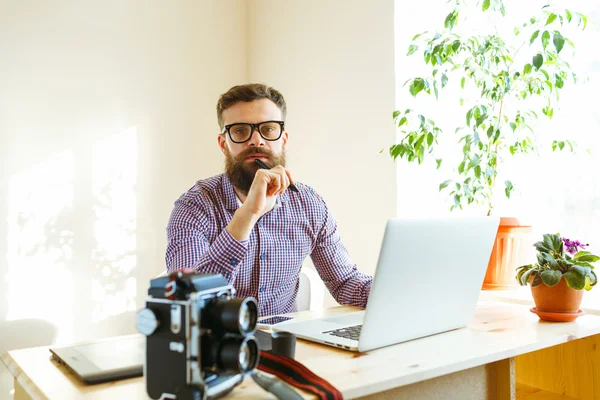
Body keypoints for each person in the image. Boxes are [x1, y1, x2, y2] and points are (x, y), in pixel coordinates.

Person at [165, 83, 372, 316]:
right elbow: (188, 301)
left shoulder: (309, 205)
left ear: (283, 139)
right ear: (224, 145)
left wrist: (402, 291)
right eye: (241, 131)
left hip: (285, 345)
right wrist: (247, 214)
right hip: (214, 345)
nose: (256, 141)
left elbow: (345, 283)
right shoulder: (194, 206)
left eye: (269, 129)